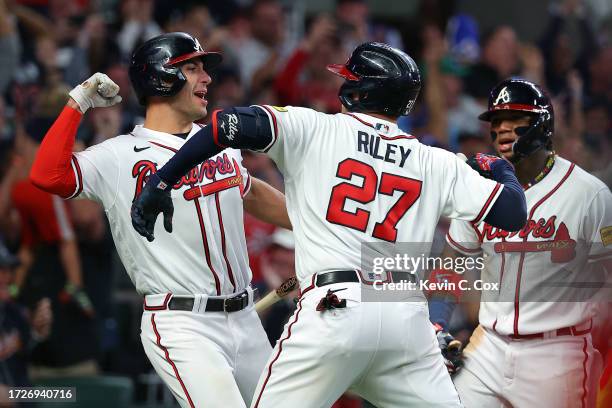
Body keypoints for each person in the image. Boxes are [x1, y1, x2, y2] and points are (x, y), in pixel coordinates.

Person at [131, 41, 528, 407]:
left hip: (333, 309)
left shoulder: (315, 127)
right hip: (406, 321)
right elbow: (513, 213)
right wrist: (499, 169)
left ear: (358, 91)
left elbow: (223, 126)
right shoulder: (436, 160)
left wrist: (162, 180)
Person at [29, 32, 291, 408]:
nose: (207, 78)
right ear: (161, 77)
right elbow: (47, 175)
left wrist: (313, 226)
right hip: (184, 324)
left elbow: (250, 192)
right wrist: (79, 101)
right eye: (193, 68)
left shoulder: (217, 142)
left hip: (246, 317)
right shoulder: (118, 156)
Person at [436, 78, 612, 407]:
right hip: (488, 346)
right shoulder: (477, 189)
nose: (502, 129)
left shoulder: (590, 195)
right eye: (497, 121)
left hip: (557, 352)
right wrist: (436, 323)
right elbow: (451, 263)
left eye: (515, 119)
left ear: (542, 125)